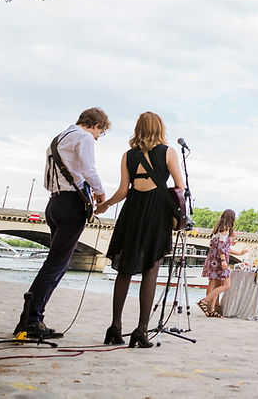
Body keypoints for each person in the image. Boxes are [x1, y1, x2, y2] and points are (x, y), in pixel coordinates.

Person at [14, 108, 110, 339]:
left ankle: (34, 317)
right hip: (71, 205)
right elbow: (88, 169)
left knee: (56, 263)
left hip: (54, 203)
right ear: (96, 125)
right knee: (56, 264)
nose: (98, 138)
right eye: (101, 132)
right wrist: (100, 193)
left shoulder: (58, 138)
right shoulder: (84, 137)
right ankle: (30, 320)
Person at [96, 112, 185, 348]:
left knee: (124, 269)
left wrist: (105, 205)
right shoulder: (168, 152)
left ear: (138, 129)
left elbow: (123, 190)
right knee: (150, 269)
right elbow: (179, 186)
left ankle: (115, 327)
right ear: (159, 128)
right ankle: (141, 330)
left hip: (132, 209)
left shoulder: (128, 156)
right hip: (157, 211)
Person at [198, 209, 247, 317]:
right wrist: (223, 260)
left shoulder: (219, 228)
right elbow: (221, 247)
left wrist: (235, 250)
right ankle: (206, 303)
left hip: (214, 258)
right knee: (223, 284)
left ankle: (211, 309)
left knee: (215, 283)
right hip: (218, 260)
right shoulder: (225, 228)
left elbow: (221, 246)